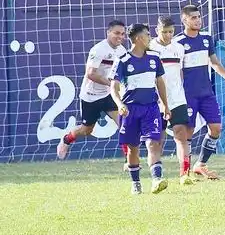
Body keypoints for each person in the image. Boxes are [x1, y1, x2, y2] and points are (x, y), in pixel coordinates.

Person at [174, 4, 225, 180]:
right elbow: (177, 70)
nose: (198, 20)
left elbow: (214, 61)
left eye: (199, 17)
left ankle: (200, 164)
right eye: (193, 18)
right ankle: (184, 173)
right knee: (188, 132)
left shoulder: (207, 38)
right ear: (184, 20)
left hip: (206, 93)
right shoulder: (178, 43)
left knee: (216, 128)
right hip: (188, 95)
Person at [109, 24, 170, 195]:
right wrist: (120, 104)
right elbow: (113, 87)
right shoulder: (123, 60)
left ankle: (156, 179)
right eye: (147, 35)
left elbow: (160, 82)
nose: (150, 37)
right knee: (132, 148)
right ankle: (135, 183)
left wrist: (165, 105)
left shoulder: (154, 58)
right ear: (138, 38)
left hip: (151, 108)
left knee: (153, 143)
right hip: (130, 110)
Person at [57, 21, 127, 160]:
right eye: (117, 33)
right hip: (91, 96)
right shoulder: (98, 49)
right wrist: (111, 84)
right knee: (86, 130)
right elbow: (90, 74)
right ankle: (66, 139)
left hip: (109, 95)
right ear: (108, 32)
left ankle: (129, 160)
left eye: (123, 34)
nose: (120, 36)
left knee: (124, 124)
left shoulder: (122, 51)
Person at [149, 16, 194, 186]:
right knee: (157, 139)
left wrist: (179, 89)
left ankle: (184, 174)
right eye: (164, 32)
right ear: (157, 31)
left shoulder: (179, 48)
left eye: (171, 32)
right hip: (155, 99)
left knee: (181, 134)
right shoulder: (149, 48)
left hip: (177, 98)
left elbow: (179, 71)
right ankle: (157, 177)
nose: (168, 35)